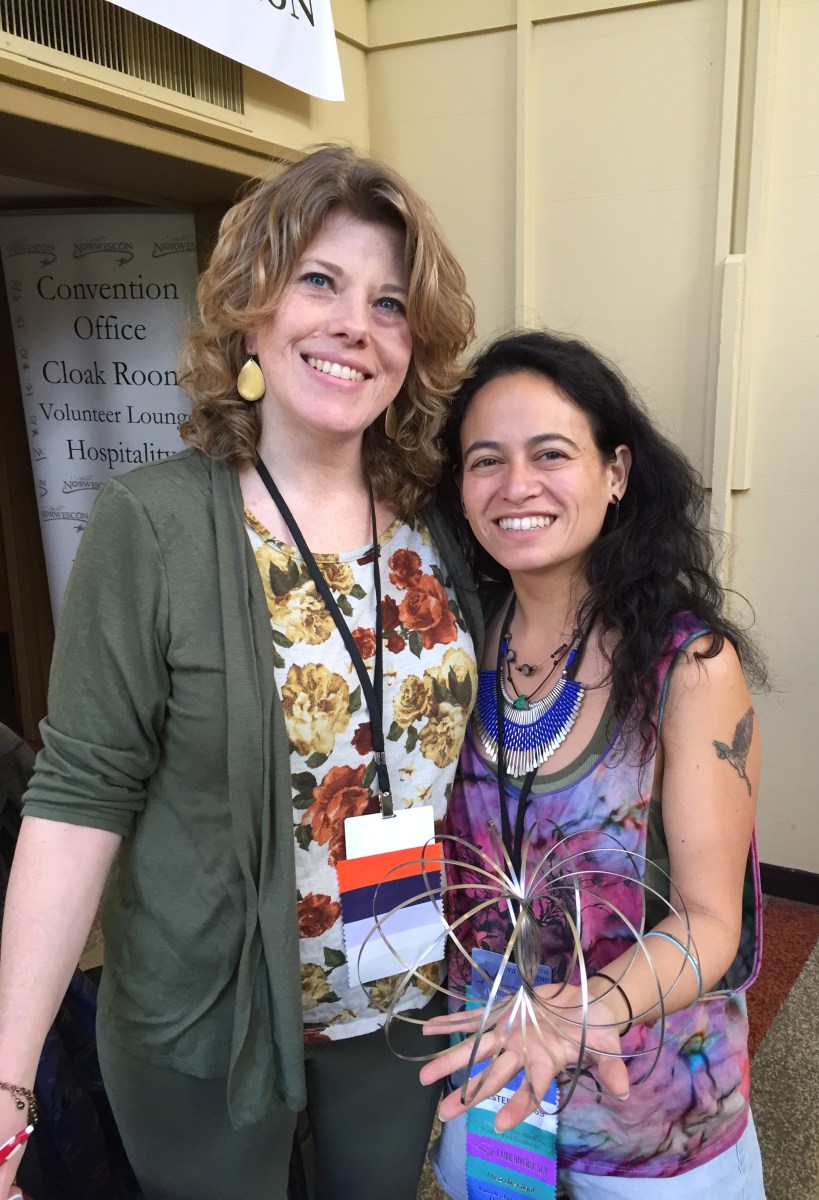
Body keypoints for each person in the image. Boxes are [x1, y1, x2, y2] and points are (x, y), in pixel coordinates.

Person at [0, 144, 484, 1200]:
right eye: (320, 282)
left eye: (389, 303)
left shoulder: (440, 526)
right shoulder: (152, 524)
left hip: (395, 993)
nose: (355, 324)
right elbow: (79, 800)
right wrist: (7, 1082)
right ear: (251, 312)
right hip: (206, 1022)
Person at [419, 330, 767, 1198]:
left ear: (615, 472)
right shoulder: (450, 644)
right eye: (485, 460)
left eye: (550, 454)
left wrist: (581, 1011)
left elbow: (709, 923)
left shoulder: (688, 667)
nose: (516, 485)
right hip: (497, 1091)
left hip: (652, 1126)